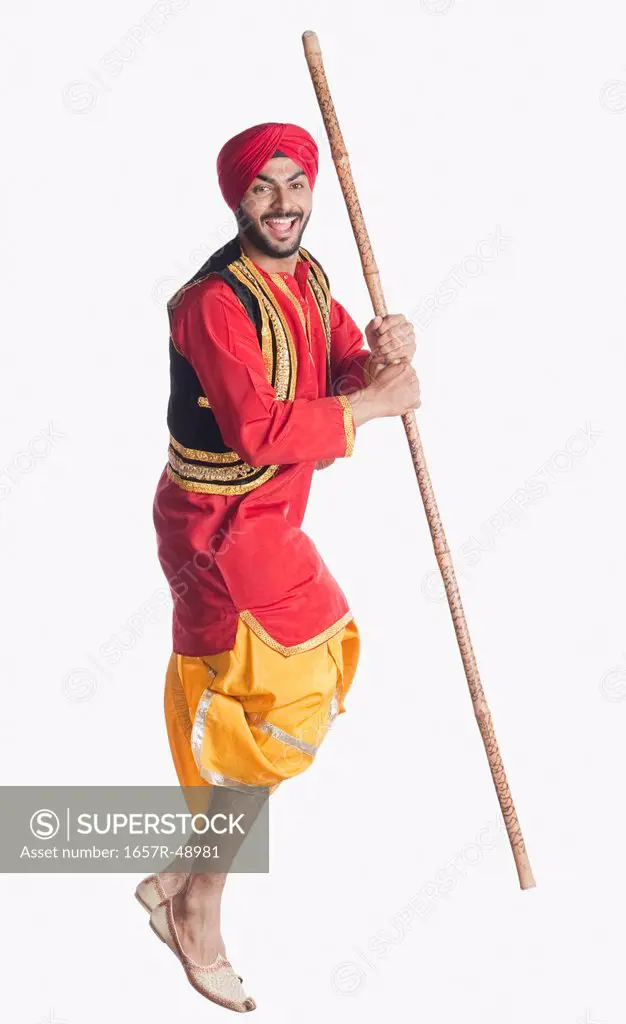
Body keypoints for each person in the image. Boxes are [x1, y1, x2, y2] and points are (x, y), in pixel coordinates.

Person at [138, 121, 420, 1011]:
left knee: (287, 677)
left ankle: (186, 872)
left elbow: (333, 359)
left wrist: (374, 357)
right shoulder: (213, 302)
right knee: (282, 697)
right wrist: (373, 405)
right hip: (219, 529)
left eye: (297, 182)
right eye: (265, 187)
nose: (286, 202)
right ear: (237, 199)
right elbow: (259, 426)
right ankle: (199, 904)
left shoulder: (307, 275)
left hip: (271, 516)